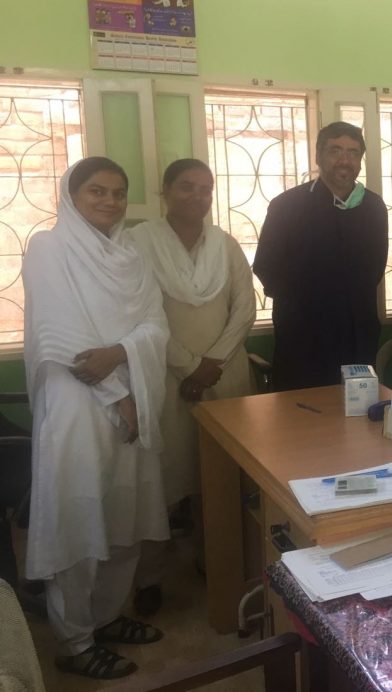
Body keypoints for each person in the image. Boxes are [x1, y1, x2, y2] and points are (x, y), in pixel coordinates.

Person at [22, 157, 170, 679]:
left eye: (118, 192)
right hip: (76, 405)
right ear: (72, 195)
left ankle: (105, 616)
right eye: (96, 191)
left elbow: (155, 323)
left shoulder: (130, 254)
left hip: (132, 393)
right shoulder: (49, 248)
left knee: (125, 514)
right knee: (78, 515)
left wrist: (122, 354)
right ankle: (75, 642)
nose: (109, 201)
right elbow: (61, 337)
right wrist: (119, 394)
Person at [127, 160, 255, 613]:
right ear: (165, 190)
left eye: (205, 188)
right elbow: (140, 314)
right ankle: (149, 577)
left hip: (224, 375)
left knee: (218, 477)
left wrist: (212, 363)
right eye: (186, 187)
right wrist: (188, 367)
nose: (197, 196)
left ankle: (213, 559)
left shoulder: (224, 244)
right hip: (165, 378)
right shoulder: (138, 243)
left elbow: (245, 307)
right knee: (161, 480)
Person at [254, 121, 388, 390]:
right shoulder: (287, 206)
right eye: (335, 151)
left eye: (353, 153)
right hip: (303, 334)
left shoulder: (373, 207)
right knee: (301, 409)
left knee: (356, 409)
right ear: (318, 156)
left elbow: (375, 269)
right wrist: (307, 300)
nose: (344, 160)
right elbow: (266, 266)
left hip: (357, 333)